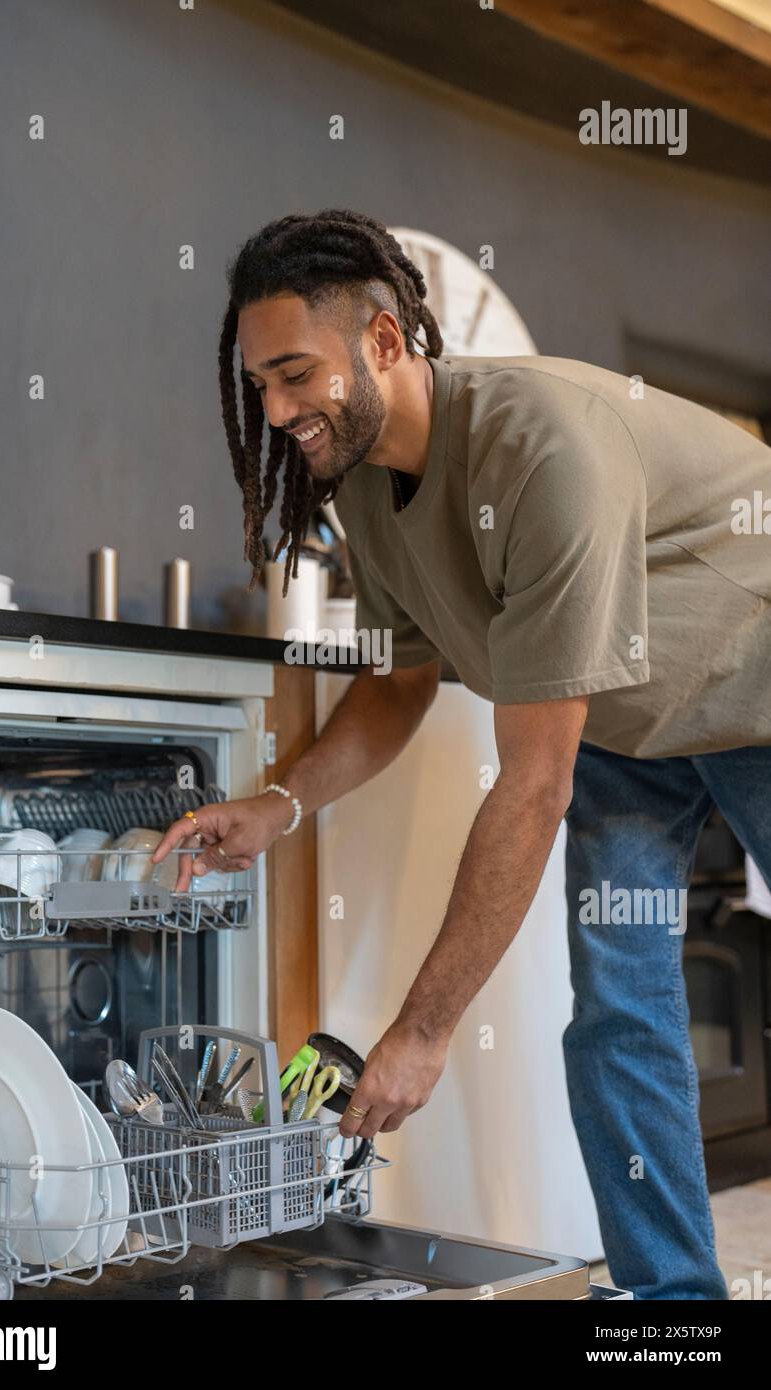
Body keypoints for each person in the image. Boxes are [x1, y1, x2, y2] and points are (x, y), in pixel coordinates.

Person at [153, 209, 771, 1299]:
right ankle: (672, 1311)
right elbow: (397, 681)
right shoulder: (361, 487)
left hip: (752, 676)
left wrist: (422, 1032)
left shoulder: (543, 451)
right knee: (617, 1016)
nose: (276, 409)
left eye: (294, 374)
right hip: (631, 718)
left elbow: (531, 786)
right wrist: (277, 805)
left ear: (384, 342)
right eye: (260, 387)